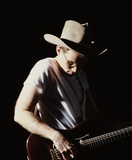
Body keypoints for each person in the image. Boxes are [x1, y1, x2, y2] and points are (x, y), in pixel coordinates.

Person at [14, 20, 107, 160]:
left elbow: (96, 116)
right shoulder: (45, 68)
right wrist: (56, 137)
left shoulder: (81, 76)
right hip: (56, 152)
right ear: (58, 50)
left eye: (81, 64)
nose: (75, 70)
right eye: (71, 63)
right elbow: (20, 113)